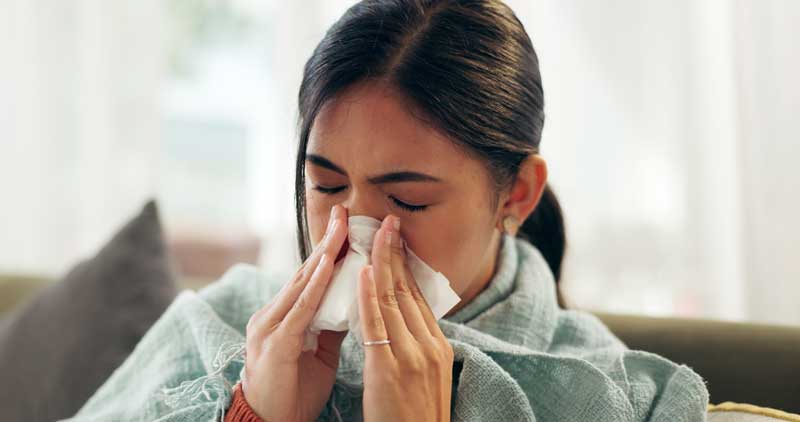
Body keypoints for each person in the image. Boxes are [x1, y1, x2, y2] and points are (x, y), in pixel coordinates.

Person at [64, 1, 710, 421]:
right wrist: (253, 411)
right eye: (325, 186)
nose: (355, 233)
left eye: (408, 200)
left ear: (516, 195)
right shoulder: (220, 325)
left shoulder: (616, 398)